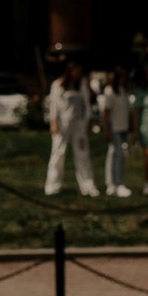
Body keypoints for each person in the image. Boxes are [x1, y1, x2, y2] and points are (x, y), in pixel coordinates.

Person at [43, 58, 98, 200]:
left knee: (82, 155)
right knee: (58, 155)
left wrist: (87, 122)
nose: (77, 74)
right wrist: (53, 122)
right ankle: (52, 186)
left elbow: (87, 105)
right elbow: (53, 105)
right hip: (63, 125)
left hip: (79, 125)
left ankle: (87, 185)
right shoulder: (58, 84)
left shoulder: (82, 85)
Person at [99, 65, 136, 199]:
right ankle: (117, 183)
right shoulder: (110, 91)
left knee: (114, 155)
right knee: (119, 155)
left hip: (122, 128)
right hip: (114, 128)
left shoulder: (123, 91)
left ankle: (111, 183)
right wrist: (107, 130)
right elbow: (106, 113)